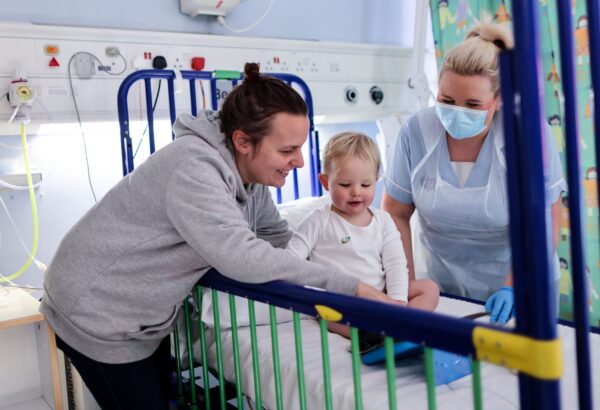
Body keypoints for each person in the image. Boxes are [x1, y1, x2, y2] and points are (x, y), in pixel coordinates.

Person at [40, 63, 395, 410]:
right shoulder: (194, 169)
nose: (300, 162)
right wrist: (351, 287)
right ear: (242, 141)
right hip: (97, 308)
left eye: (300, 147)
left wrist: (341, 266)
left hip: (146, 315)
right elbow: (242, 256)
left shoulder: (250, 178)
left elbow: (275, 237)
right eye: (288, 150)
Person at [382, 20, 566, 325]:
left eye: (472, 104)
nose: (456, 112)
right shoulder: (416, 133)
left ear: (499, 100)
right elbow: (395, 214)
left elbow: (546, 220)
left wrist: (513, 286)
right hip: (441, 280)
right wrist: (405, 287)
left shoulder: (527, 135)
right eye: (447, 101)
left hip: (520, 277)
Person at [287, 132, 439, 337]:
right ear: (325, 182)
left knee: (429, 288)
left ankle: (402, 326)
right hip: (343, 299)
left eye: (366, 185)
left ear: (376, 180)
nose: (356, 192)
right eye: (345, 185)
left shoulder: (383, 221)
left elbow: (395, 264)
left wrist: (397, 303)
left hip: (381, 295)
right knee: (325, 313)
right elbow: (289, 260)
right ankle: (371, 336)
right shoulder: (319, 220)